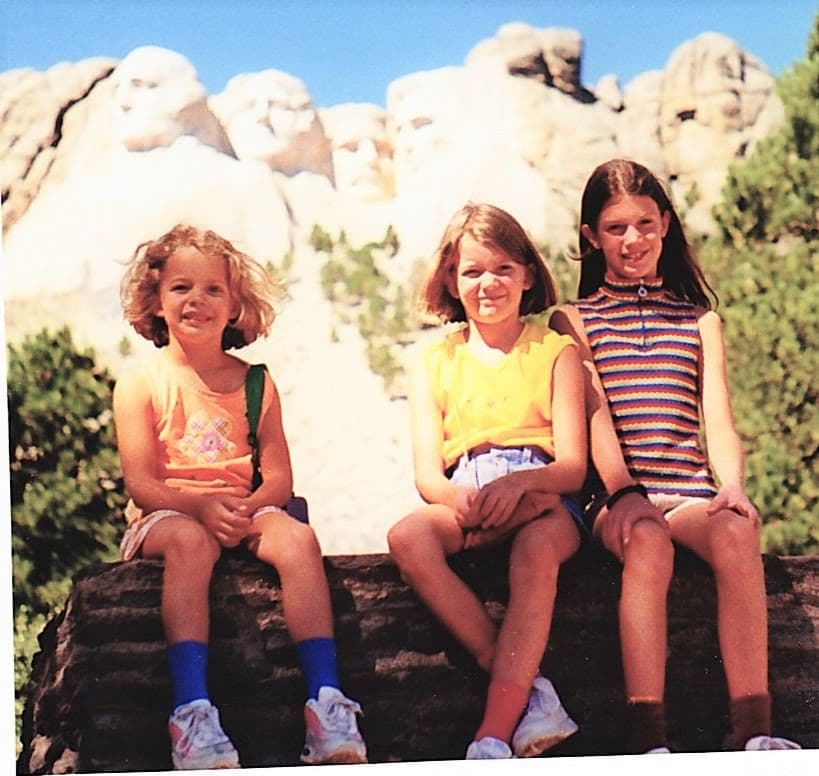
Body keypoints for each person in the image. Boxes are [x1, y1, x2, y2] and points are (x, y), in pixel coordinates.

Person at [550, 158, 801, 754]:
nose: (632, 240)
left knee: (738, 532)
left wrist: (732, 487)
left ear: (664, 223)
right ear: (591, 237)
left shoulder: (699, 319)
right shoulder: (574, 319)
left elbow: (719, 419)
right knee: (649, 540)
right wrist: (625, 494)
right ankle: (648, 736)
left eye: (643, 224)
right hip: (614, 499)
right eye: (615, 228)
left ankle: (754, 730)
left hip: (686, 493)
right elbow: (595, 417)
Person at [114, 224, 367, 769]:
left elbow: (277, 477)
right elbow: (141, 483)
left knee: (298, 540)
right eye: (181, 287)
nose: (196, 302)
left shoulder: (255, 382)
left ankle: (326, 702)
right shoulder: (139, 382)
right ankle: (191, 711)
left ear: (235, 307)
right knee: (190, 544)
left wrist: (245, 509)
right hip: (169, 513)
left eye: (213, 290)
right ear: (155, 300)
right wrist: (201, 508)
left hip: (244, 506)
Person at [388, 202, 587, 760]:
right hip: (468, 490)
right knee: (409, 537)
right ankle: (530, 688)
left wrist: (522, 487)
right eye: (472, 271)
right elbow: (429, 474)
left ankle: (494, 731)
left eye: (502, 268)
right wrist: (461, 500)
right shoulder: (434, 360)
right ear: (451, 280)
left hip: (545, 496)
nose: (488, 284)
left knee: (535, 549)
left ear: (527, 274)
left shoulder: (555, 351)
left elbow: (573, 466)